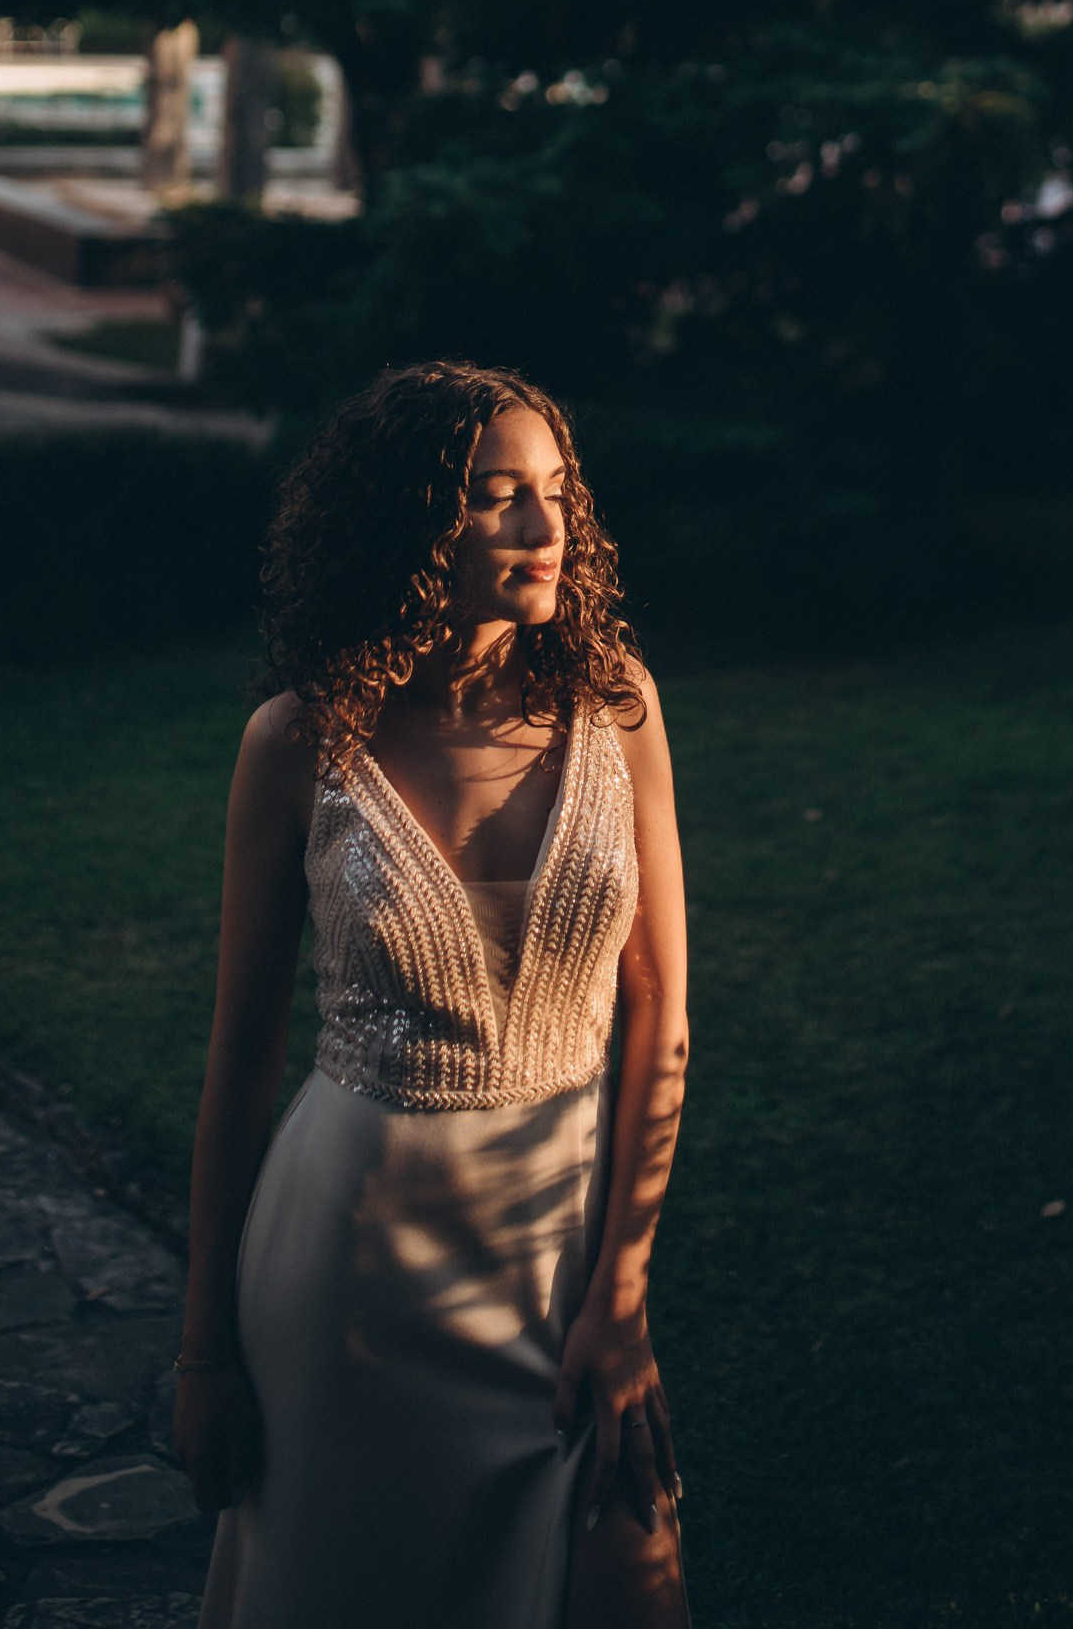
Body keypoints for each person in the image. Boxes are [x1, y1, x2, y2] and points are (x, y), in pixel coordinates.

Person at [179, 359, 691, 1627]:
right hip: (345, 1267)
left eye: (557, 495)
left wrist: (618, 1295)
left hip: (553, 1255)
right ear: (410, 521)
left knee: (625, 1567)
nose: (542, 529)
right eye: (497, 497)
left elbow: (660, 1019)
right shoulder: (298, 741)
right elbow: (240, 1056)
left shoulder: (615, 707)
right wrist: (203, 1354)